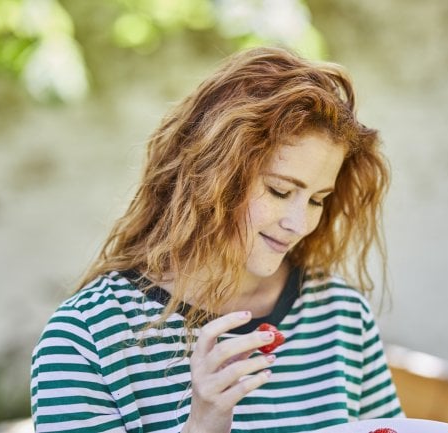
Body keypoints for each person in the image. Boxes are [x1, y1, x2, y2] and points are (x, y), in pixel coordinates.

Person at [30, 46, 403, 433]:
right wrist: (202, 424)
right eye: (278, 190)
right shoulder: (86, 337)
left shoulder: (340, 315)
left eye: (316, 200)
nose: (298, 223)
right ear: (212, 176)